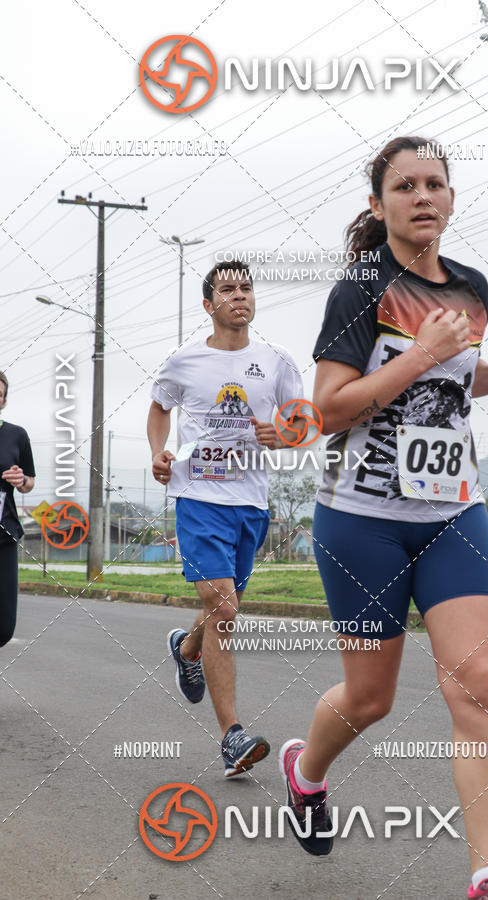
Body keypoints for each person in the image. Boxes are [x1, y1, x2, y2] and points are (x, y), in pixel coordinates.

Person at [279, 137, 488, 900]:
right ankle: (307, 770)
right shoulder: (359, 290)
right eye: (406, 186)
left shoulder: (471, 288)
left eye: (436, 184)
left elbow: (450, 392)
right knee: (371, 699)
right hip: (361, 518)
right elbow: (326, 412)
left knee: (479, 688)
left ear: (453, 201)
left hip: (452, 511)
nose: (423, 196)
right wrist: (420, 355)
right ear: (379, 205)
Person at [148, 260, 303, 777]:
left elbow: (303, 424)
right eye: (228, 289)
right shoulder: (183, 360)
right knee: (226, 611)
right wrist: (158, 451)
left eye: (246, 288)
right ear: (209, 304)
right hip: (197, 496)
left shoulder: (278, 361)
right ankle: (231, 735)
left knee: (224, 608)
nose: (240, 296)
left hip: (251, 504)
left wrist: (286, 436)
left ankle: (187, 648)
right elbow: (159, 407)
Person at [0, 371, 36, 648]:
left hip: (4, 533)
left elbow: (29, 483)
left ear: (4, 401)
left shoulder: (17, 435)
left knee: (4, 626)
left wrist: (20, 479)